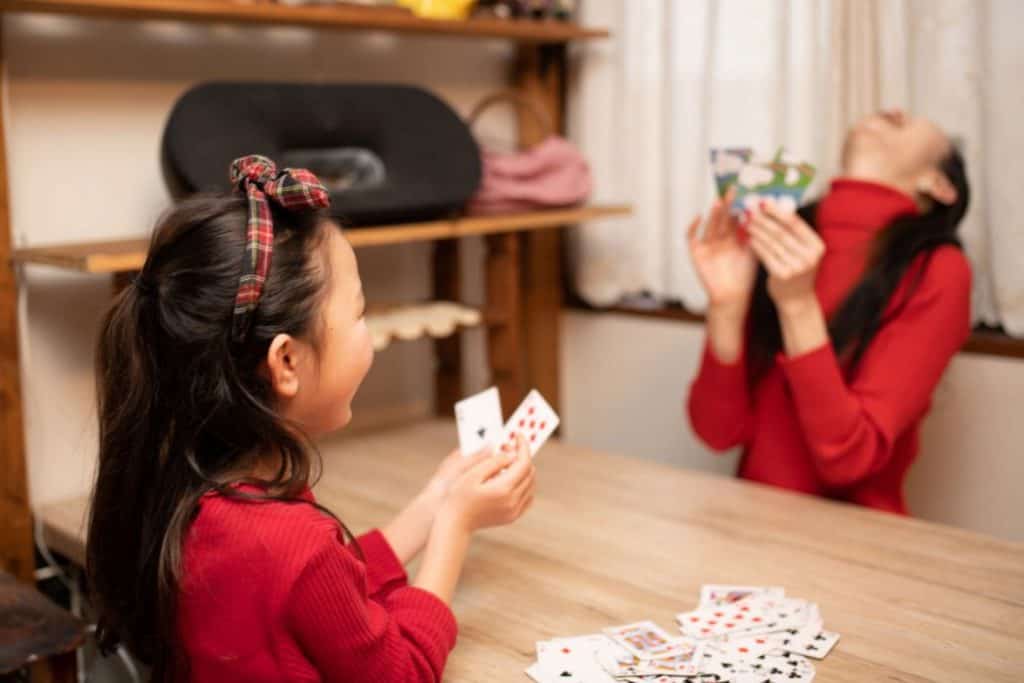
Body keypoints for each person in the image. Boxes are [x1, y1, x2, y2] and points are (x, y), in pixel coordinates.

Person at [86, 155, 536, 682]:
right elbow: (404, 671)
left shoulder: (204, 497)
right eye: (360, 312)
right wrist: (456, 527)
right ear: (286, 362)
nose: (369, 332)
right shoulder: (293, 541)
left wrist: (435, 500)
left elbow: (324, 596)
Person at [687, 110, 972, 514]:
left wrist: (798, 305)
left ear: (940, 185)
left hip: (854, 545)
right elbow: (717, 431)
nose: (890, 111)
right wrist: (727, 305)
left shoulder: (938, 269)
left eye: (914, 119)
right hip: (751, 527)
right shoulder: (779, 236)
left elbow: (849, 460)